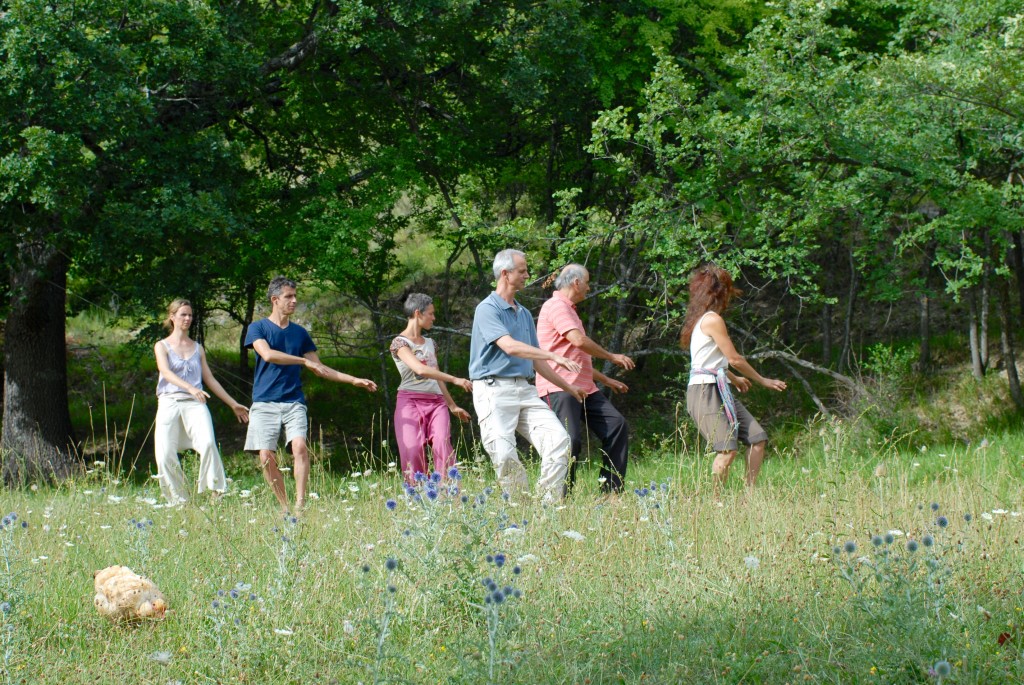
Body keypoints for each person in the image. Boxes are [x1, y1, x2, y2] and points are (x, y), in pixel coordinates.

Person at [244, 276, 378, 512]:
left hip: (294, 401)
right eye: (289, 297)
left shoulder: (300, 333)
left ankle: (300, 504)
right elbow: (268, 355)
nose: (294, 301)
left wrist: (353, 379)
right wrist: (302, 362)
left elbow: (320, 368)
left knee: (299, 447)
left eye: (295, 296)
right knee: (265, 455)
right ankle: (284, 506)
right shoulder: (258, 328)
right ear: (275, 300)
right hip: (264, 402)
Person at [469, 249, 586, 501]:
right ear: (505, 273)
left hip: (524, 389)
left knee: (559, 441)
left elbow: (534, 359)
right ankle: (520, 512)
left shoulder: (522, 313)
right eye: (522, 271)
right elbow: (509, 346)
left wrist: (568, 387)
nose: (527, 275)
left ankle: (546, 509)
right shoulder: (487, 309)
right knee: (503, 453)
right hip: (493, 390)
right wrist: (554, 356)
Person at [680, 265, 787, 487]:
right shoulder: (711, 320)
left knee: (757, 438)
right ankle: (716, 501)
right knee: (727, 450)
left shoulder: (704, 319)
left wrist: (734, 379)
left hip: (717, 387)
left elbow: (712, 361)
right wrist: (763, 380)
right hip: (704, 391)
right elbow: (734, 359)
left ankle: (749, 497)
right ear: (720, 292)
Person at [537, 264, 634, 493]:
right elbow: (579, 341)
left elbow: (576, 356)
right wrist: (612, 356)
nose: (589, 288)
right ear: (576, 283)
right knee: (569, 441)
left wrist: (605, 380)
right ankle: (561, 496)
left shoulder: (569, 309)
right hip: (560, 386)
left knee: (616, 426)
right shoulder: (556, 306)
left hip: (585, 388)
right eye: (587, 282)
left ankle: (610, 492)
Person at [153, 298, 249, 505]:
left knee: (207, 443)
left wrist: (233, 404)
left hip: (195, 404)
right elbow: (165, 372)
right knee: (164, 454)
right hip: (169, 402)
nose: (187, 319)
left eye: (190, 315)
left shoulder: (197, 348)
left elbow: (210, 379)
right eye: (183, 315)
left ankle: (215, 491)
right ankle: (178, 501)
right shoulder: (162, 346)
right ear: (172, 317)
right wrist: (190, 387)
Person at [389, 293, 473, 484]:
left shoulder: (430, 343)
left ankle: (448, 495)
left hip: (436, 403)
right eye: (431, 314)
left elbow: (435, 375)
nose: (434, 318)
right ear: (418, 313)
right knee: (412, 449)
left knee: (443, 445)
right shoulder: (399, 343)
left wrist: (452, 406)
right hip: (409, 401)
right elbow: (420, 369)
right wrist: (455, 379)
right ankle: (417, 495)